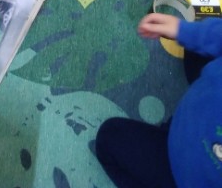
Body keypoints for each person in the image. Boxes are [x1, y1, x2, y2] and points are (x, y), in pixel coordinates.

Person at [95, 12, 222, 188]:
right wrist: (183, 30)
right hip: (196, 112)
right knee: (198, 43)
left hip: (183, 173)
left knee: (109, 137)